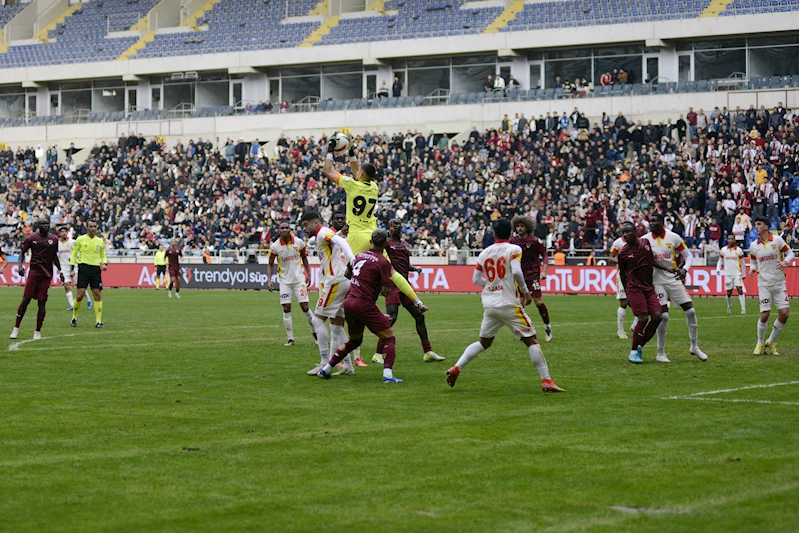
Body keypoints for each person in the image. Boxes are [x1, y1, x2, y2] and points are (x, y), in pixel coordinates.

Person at [446, 218, 564, 392]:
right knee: (531, 340)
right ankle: (546, 380)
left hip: (489, 304)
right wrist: (525, 292)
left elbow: (476, 279)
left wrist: (492, 284)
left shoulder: (484, 252)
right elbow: (516, 271)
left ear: (493, 233)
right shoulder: (514, 249)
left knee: (484, 342)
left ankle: (456, 368)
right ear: (510, 233)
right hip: (509, 303)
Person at [323, 135, 427, 313]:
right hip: (374, 235)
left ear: (360, 174)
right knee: (392, 271)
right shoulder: (374, 188)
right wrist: (351, 151)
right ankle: (416, 300)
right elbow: (359, 169)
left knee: (354, 274)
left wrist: (330, 150)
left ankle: (347, 305)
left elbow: (328, 170)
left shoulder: (352, 185)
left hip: (356, 235)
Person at [317, 229, 404, 383]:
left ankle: (327, 368)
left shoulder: (360, 255)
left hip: (349, 302)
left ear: (371, 241)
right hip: (364, 304)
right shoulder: (383, 262)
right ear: (385, 243)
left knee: (355, 341)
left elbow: (347, 275)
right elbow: (386, 289)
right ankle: (388, 375)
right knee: (389, 337)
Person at [372, 219, 444, 364]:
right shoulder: (386, 243)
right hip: (392, 285)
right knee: (391, 318)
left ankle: (428, 352)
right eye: (393, 225)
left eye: (398, 224)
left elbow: (405, 264)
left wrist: (414, 268)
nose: (396, 226)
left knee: (419, 316)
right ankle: (378, 353)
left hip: (405, 285)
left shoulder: (404, 245)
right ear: (389, 229)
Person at [642, 214, 708, 362]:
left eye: (654, 221)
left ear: (662, 222)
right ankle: (660, 353)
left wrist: (685, 269)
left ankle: (694, 346)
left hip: (673, 279)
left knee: (691, 311)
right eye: (650, 221)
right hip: (656, 281)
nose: (651, 224)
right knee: (664, 316)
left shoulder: (674, 237)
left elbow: (688, 255)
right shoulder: (645, 239)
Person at [301, 211, 356, 376]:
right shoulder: (321, 235)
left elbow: (338, 240)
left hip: (335, 281)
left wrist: (352, 258)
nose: (304, 229)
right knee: (336, 326)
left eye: (305, 225)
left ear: (315, 222)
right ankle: (348, 366)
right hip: (340, 281)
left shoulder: (323, 232)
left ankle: (325, 362)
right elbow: (334, 238)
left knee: (317, 320)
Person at [615, 222, 665, 363]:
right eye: (623, 232)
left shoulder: (645, 243)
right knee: (643, 317)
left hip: (648, 287)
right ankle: (633, 352)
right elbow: (623, 274)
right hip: (634, 287)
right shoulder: (623, 253)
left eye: (628, 231)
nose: (625, 234)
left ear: (635, 231)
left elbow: (651, 261)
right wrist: (628, 294)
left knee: (657, 316)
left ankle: (639, 345)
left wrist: (668, 268)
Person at [10, 218, 63, 340]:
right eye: (43, 224)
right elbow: (22, 253)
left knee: (42, 304)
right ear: (38, 226)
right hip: (34, 273)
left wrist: (60, 270)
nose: (45, 226)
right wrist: (20, 266)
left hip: (46, 276)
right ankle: (16, 328)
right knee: (25, 300)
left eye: (47, 224)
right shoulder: (31, 238)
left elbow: (54, 256)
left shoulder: (54, 239)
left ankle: (37, 331)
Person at [748, 216, 793, 355]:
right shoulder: (754, 245)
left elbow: (790, 253)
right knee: (765, 314)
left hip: (779, 282)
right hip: (764, 283)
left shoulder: (778, 240)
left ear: (766, 227)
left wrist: (785, 262)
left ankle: (771, 341)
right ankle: (760, 342)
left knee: (784, 314)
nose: (756, 227)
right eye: (755, 224)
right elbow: (753, 261)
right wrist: (752, 268)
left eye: (759, 224)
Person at [267, 222, 315, 347]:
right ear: (278, 230)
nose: (284, 230)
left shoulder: (299, 243)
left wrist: (308, 274)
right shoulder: (275, 246)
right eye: (281, 228)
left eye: (286, 228)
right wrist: (269, 280)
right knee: (286, 308)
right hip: (284, 282)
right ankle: (290, 339)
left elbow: (304, 258)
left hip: (299, 281)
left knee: (305, 307)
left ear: (290, 229)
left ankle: (315, 333)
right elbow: (270, 263)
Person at [509, 215, 552, 342]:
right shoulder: (512, 241)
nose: (520, 228)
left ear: (527, 227)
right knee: (520, 305)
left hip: (533, 275)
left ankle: (547, 327)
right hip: (519, 276)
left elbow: (544, 255)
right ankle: (524, 331)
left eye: (522, 226)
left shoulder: (534, 241)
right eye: (518, 226)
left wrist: (544, 271)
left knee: (538, 302)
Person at [69, 220, 107, 328]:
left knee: (97, 295)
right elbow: (74, 254)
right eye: (91, 226)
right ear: (87, 227)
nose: (93, 228)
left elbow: (103, 255)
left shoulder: (100, 241)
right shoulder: (80, 239)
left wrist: (104, 263)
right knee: (80, 295)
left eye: (95, 226)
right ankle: (74, 317)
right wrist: (71, 268)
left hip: (95, 269)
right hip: (83, 268)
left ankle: (98, 321)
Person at [609, 231, 639, 339]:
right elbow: (611, 257)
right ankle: (620, 330)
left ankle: (635, 324)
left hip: (635, 275)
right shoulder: (618, 242)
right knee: (624, 302)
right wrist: (621, 262)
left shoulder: (637, 242)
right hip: (622, 275)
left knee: (638, 301)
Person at [58, 226, 91, 310]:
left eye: (65, 231)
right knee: (66, 285)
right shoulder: (58, 244)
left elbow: (79, 252)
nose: (64, 233)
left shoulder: (73, 242)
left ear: (68, 232)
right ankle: (72, 305)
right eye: (62, 231)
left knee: (80, 286)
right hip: (64, 267)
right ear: (60, 233)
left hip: (74, 267)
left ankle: (88, 300)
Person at [716, 234, 747, 314]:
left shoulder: (739, 250)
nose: (730, 240)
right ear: (727, 240)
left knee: (739, 289)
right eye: (729, 239)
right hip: (727, 274)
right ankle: (729, 306)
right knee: (729, 292)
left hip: (737, 273)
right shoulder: (723, 250)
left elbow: (743, 263)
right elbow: (720, 260)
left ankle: (743, 309)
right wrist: (718, 268)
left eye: (732, 239)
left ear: (735, 240)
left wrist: (743, 274)